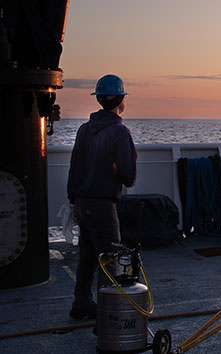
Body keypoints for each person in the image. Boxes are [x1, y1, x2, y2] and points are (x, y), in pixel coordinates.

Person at [67, 74, 137, 320]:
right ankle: (107, 319)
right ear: (120, 99)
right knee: (110, 261)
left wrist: (73, 198)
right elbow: (128, 175)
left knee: (87, 256)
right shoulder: (119, 132)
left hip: (82, 203)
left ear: (98, 99)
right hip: (103, 206)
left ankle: (81, 304)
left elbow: (74, 166)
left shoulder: (85, 130)